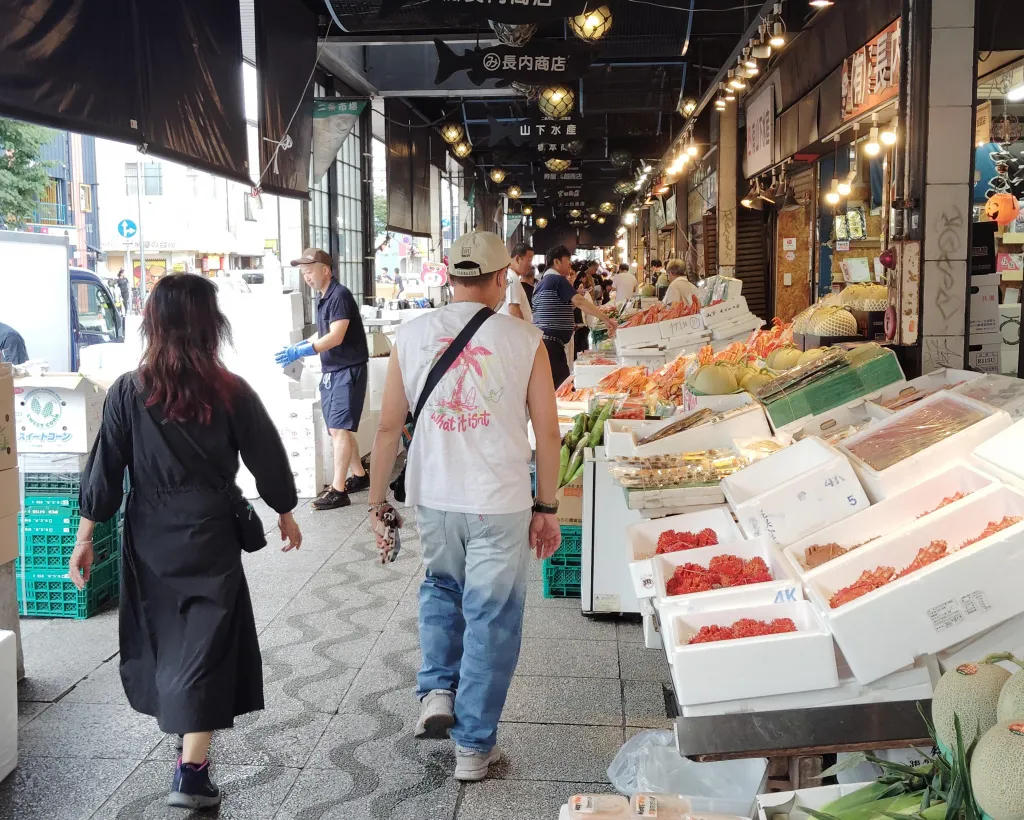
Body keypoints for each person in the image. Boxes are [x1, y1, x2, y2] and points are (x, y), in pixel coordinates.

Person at [68, 274, 302, 810]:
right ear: (210, 323)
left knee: (168, 634)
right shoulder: (230, 389)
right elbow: (266, 455)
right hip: (210, 530)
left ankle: (187, 738)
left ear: (153, 322)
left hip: (150, 530)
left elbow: (105, 469)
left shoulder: (128, 390)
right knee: (208, 639)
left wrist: (85, 536)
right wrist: (285, 510)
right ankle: (192, 771)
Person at [366, 230, 563, 782]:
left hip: (434, 496)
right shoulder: (526, 339)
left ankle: (436, 689)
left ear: (450, 277)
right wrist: (547, 505)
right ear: (502, 279)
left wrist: (377, 502)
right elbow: (548, 433)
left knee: (441, 586)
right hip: (499, 500)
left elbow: (387, 429)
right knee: (490, 615)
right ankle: (473, 747)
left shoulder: (410, 335)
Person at [274, 248, 370, 510]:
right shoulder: (324, 297)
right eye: (303, 272)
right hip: (333, 370)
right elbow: (323, 333)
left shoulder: (339, 295)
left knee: (339, 429)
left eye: (309, 271)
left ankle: (338, 491)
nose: (306, 277)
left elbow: (336, 336)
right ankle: (359, 475)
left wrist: (303, 351)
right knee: (337, 428)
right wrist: (298, 347)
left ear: (325, 270)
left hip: (347, 370)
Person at [532, 246, 617, 387]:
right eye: (567, 260)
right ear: (557, 262)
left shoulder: (541, 283)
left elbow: (558, 308)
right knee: (562, 386)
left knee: (554, 385)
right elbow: (579, 301)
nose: (570, 264)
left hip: (545, 343)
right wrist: (606, 319)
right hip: (551, 344)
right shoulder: (558, 280)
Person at [502, 243, 533, 323]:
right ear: (517, 259)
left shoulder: (509, 275)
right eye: (529, 260)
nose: (530, 265)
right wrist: (525, 329)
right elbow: (514, 309)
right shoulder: (512, 278)